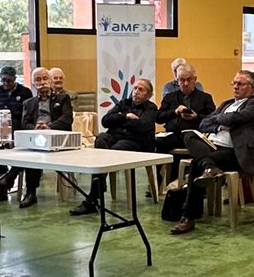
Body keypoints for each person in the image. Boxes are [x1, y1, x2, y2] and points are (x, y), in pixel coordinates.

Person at [170, 71, 254, 235]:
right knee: (189, 135)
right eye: (234, 83)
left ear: (252, 88)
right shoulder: (226, 104)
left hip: (233, 152)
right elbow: (204, 123)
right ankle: (209, 166)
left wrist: (220, 120)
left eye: (240, 84)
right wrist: (221, 123)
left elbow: (238, 118)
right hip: (212, 146)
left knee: (194, 164)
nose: (235, 86)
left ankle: (188, 217)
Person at [70, 79, 157, 216]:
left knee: (115, 150)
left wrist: (118, 121)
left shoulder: (151, 108)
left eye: (141, 89)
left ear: (149, 95)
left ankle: (93, 195)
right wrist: (125, 117)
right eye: (135, 88)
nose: (136, 92)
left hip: (136, 142)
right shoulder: (124, 104)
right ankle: (99, 186)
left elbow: (141, 127)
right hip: (115, 137)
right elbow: (105, 121)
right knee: (101, 139)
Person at [15, 67, 74, 208]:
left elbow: (67, 119)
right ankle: (31, 193)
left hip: (57, 137)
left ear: (50, 81)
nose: (42, 82)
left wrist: (49, 126)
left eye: (45, 78)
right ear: (34, 83)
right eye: (38, 79)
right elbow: (24, 123)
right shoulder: (28, 103)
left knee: (33, 152)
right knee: (32, 153)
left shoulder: (63, 98)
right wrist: (36, 127)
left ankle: (11, 178)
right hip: (37, 138)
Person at [155, 64, 216, 176]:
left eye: (189, 79)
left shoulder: (205, 98)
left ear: (195, 80)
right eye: (182, 80)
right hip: (174, 134)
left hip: (195, 134)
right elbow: (158, 118)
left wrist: (196, 117)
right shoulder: (170, 97)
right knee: (155, 142)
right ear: (177, 81)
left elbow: (212, 118)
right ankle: (156, 180)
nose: (186, 83)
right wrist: (175, 112)